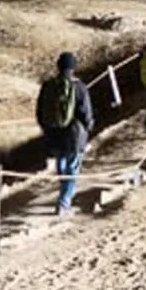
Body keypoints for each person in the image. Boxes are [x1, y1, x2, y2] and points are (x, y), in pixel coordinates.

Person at [37, 51, 95, 214]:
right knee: (72, 168)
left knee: (61, 165)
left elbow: (40, 111)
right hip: (75, 135)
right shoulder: (79, 87)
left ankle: (63, 194)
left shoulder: (48, 85)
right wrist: (88, 131)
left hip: (54, 133)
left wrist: (46, 128)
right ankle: (64, 202)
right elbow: (86, 113)